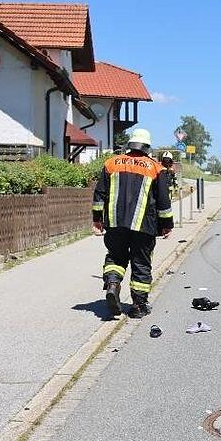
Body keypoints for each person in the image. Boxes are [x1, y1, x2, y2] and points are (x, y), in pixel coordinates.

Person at [91, 129, 174, 318]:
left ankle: (112, 283)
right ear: (146, 147)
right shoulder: (155, 168)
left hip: (115, 223)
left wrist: (97, 220)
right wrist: (167, 224)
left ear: (130, 144)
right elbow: (163, 201)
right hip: (144, 226)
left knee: (116, 257)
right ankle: (138, 306)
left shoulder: (111, 164)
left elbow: (99, 195)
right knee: (141, 263)